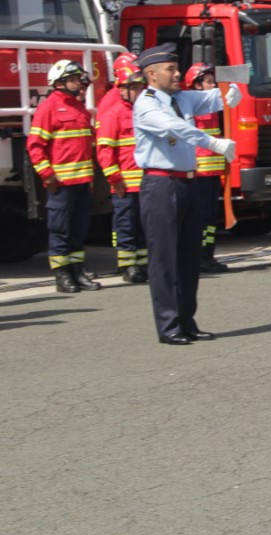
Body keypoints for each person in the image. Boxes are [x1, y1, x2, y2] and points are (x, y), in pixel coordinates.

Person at [134, 43, 241, 345]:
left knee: (188, 257)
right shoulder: (148, 103)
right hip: (161, 185)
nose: (178, 73)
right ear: (152, 74)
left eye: (177, 67)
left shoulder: (181, 97)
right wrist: (214, 143)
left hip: (187, 183)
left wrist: (228, 95)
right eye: (171, 69)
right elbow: (177, 128)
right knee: (165, 259)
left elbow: (210, 99)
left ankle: (186, 320)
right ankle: (169, 326)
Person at [27, 59, 103, 293]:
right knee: (61, 229)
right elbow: (35, 145)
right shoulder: (49, 107)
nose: (78, 83)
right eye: (72, 79)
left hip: (82, 183)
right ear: (58, 82)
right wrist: (47, 175)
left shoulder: (79, 108)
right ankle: (62, 276)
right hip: (60, 184)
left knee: (79, 230)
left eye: (79, 79)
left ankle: (77, 271)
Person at [96, 54, 148, 284]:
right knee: (126, 225)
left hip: (145, 182)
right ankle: (128, 266)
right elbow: (105, 151)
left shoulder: (143, 111)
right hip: (125, 184)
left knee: (143, 226)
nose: (138, 92)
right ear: (122, 88)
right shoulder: (113, 113)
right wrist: (114, 178)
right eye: (134, 87)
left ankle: (143, 264)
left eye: (140, 87)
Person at [184, 63, 229, 273]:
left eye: (213, 81)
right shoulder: (192, 107)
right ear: (197, 84)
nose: (213, 85)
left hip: (212, 174)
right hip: (199, 173)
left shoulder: (211, 108)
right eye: (209, 81)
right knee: (199, 218)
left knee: (211, 218)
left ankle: (208, 255)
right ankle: (197, 256)